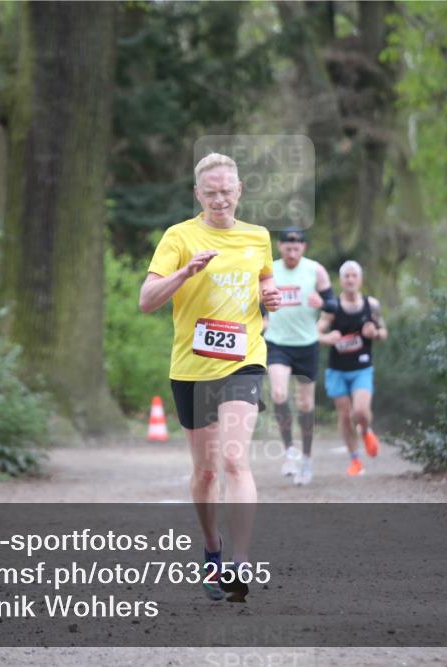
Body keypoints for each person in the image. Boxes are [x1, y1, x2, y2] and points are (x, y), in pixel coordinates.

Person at [139, 152, 281, 602]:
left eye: (227, 191)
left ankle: (240, 563)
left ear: (239, 191)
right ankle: (212, 547)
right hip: (192, 368)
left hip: (244, 360)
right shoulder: (179, 236)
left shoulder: (259, 237)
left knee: (236, 459)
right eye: (211, 193)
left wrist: (269, 296)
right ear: (198, 194)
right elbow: (146, 300)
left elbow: (262, 285)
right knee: (205, 472)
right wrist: (185, 272)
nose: (220, 199)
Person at [262, 227, 335, 486]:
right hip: (278, 343)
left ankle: (307, 457)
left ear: (303, 248)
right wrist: (262, 320)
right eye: (287, 248)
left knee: (305, 405)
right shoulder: (269, 269)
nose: (292, 252)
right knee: (279, 394)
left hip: (307, 344)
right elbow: (257, 300)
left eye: (297, 248)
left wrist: (323, 304)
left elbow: (333, 304)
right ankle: (290, 452)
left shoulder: (315, 270)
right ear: (280, 247)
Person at [317, 260, 388, 477]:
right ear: (341, 280)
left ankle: (366, 430)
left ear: (360, 279)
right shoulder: (333, 307)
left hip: (362, 368)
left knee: (360, 411)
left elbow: (384, 333)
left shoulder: (371, 305)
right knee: (345, 416)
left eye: (353, 275)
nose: (350, 279)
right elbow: (316, 333)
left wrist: (374, 334)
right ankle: (355, 460)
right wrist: (328, 338)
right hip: (337, 370)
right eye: (346, 276)